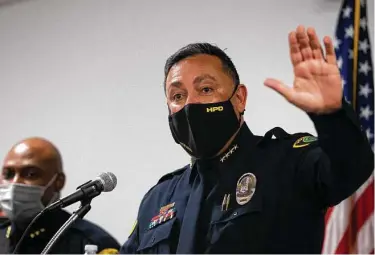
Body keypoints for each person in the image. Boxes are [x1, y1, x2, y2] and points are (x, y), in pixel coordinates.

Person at [120, 25, 374, 254]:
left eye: (206, 89)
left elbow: (351, 168)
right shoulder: (158, 198)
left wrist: (331, 115)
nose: (190, 105)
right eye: (177, 96)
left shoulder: (288, 162)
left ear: (239, 98)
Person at [0, 137, 120, 254]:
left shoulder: (94, 244)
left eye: (31, 174)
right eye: (8, 174)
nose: (15, 182)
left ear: (58, 181)